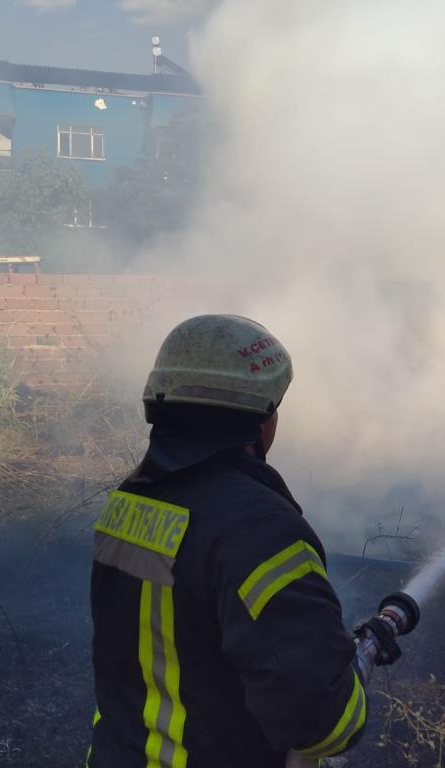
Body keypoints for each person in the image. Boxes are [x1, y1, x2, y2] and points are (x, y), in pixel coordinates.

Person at [87, 314, 365, 767]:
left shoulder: (127, 504)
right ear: (260, 421)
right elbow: (322, 724)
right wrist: (349, 677)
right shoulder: (261, 533)